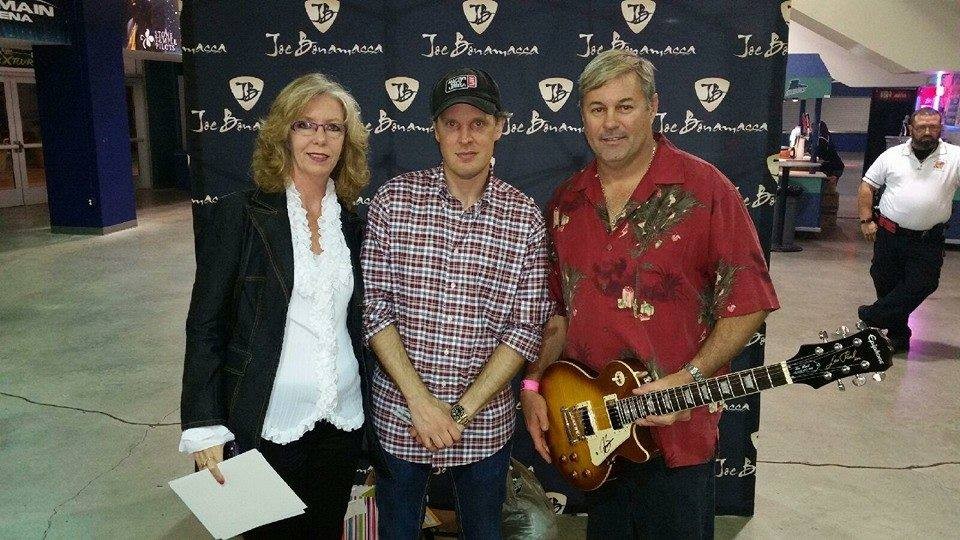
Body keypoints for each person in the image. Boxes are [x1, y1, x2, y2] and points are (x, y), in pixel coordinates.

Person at [519, 49, 780, 539]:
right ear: (582, 116)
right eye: (597, 109)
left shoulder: (705, 190)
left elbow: (750, 301)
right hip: (595, 438)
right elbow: (556, 312)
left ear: (653, 106)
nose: (610, 123)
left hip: (678, 437)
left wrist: (690, 376)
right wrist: (534, 384)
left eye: (625, 106)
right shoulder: (567, 202)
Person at [179, 73, 382, 537]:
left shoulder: (353, 224)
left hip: (341, 422)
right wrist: (204, 423)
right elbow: (205, 325)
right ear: (283, 134)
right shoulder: (240, 214)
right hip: (266, 423)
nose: (320, 138)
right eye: (305, 124)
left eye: (333, 127)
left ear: (346, 141)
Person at [362, 67, 553, 539]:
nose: (465, 138)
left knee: (484, 531)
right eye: (452, 124)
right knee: (397, 532)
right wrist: (421, 403)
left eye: (478, 123)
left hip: (484, 426)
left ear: (499, 127)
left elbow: (523, 330)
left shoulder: (525, 217)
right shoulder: (393, 201)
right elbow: (375, 310)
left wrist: (459, 413)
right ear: (435, 130)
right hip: (401, 418)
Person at [857, 107, 959, 354]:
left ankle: (872, 315)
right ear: (911, 129)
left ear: (940, 129)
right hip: (889, 234)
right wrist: (866, 220)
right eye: (922, 127)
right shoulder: (892, 155)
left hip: (928, 239)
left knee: (924, 283)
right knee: (885, 281)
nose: (927, 132)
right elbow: (867, 186)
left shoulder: (955, 156)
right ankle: (899, 337)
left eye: (933, 127)